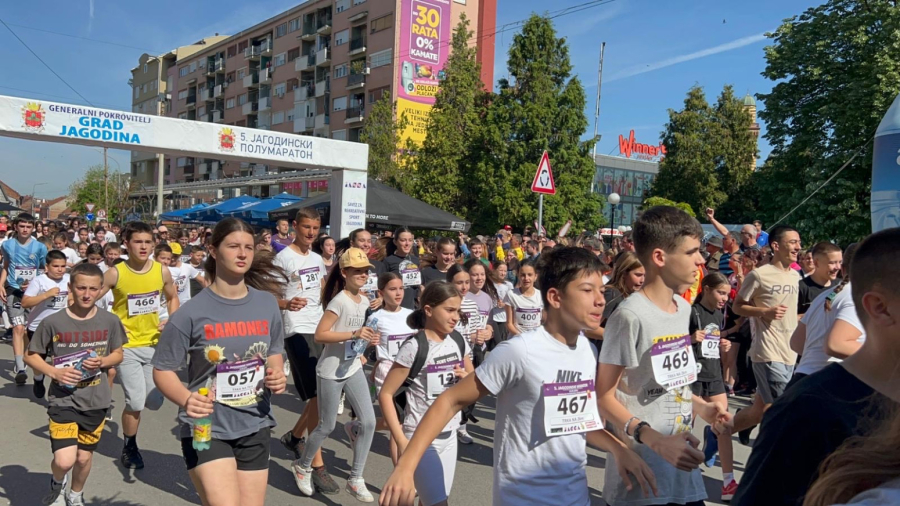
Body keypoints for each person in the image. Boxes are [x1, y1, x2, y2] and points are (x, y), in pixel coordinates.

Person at [380, 247, 657, 506]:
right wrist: (406, 466)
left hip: (576, 497)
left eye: (601, 289)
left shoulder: (586, 349)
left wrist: (618, 449)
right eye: (587, 290)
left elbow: (577, 423)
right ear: (555, 297)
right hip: (524, 497)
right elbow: (449, 401)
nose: (600, 300)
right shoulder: (519, 351)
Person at [733, 228, 900, 506]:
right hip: (789, 369)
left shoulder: (828, 295)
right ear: (879, 307)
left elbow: (798, 341)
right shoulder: (807, 414)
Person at [597, 206, 731, 506]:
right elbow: (603, 397)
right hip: (642, 480)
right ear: (660, 257)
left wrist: (704, 408)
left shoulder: (683, 309)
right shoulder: (629, 316)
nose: (701, 260)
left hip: (684, 475)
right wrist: (654, 439)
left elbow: (667, 385)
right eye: (692, 252)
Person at [152, 217, 288, 506]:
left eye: (248, 247)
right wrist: (186, 398)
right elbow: (163, 369)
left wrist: (276, 372)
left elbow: (274, 350)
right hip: (205, 425)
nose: (242, 254)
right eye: (233, 246)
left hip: (255, 421)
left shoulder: (266, 304)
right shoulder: (190, 313)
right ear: (213, 251)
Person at [25, 263, 126, 506]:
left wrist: (102, 360)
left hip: (96, 399)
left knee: (82, 458)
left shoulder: (110, 321)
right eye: (81, 288)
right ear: (70, 287)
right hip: (63, 398)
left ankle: (76, 493)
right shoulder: (53, 321)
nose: (87, 294)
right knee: (64, 460)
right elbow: (31, 355)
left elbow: (118, 354)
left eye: (93, 288)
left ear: (101, 289)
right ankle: (58, 485)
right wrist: (54, 373)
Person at [292, 248, 378, 502]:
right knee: (326, 425)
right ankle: (303, 465)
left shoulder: (363, 301)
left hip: (351, 367)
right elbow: (321, 335)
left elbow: (358, 334)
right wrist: (354, 335)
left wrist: (367, 342)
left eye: (365, 271)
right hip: (330, 371)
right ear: (344, 272)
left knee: (370, 421)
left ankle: (355, 478)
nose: (363, 275)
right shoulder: (339, 301)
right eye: (357, 271)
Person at [378, 281, 474, 506]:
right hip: (419, 437)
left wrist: (464, 379)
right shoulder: (415, 346)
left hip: (450, 435)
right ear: (429, 310)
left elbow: (474, 380)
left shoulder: (458, 341)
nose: (456, 317)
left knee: (431, 501)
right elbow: (386, 394)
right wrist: (401, 440)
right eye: (449, 310)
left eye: (458, 311)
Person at [100, 221, 180, 469]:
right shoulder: (116, 273)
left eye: (148, 242)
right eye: (138, 242)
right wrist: (113, 324)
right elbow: (89, 297)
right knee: (135, 402)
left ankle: (130, 436)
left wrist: (171, 321)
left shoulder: (161, 271)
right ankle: (130, 446)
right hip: (127, 348)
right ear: (127, 243)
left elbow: (173, 297)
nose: (143, 246)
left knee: (153, 402)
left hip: (154, 346)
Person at [274, 207, 340, 495]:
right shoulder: (283, 257)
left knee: (320, 394)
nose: (311, 233)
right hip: (295, 328)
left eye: (315, 228)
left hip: (318, 327)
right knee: (317, 394)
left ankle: (295, 436)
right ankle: (315, 464)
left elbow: (321, 290)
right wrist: (287, 304)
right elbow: (270, 296)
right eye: (306, 228)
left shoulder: (316, 258)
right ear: (294, 227)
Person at [729, 225, 802, 447]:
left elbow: (792, 313)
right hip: (767, 351)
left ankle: (717, 432)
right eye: (793, 242)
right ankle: (775, 464)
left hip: (790, 351)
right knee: (784, 408)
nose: (798, 247)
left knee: (758, 412)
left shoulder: (796, 276)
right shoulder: (759, 275)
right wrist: (764, 312)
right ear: (776, 246)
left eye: (799, 242)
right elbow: (737, 307)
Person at [688, 272, 738, 500]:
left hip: (714, 375)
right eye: (721, 292)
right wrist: (689, 339)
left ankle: (729, 481)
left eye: (727, 294)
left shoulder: (719, 315)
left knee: (725, 424)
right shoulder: (690, 312)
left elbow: (713, 342)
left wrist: (723, 344)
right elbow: (669, 344)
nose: (725, 298)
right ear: (706, 289)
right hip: (692, 376)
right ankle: (679, 474)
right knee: (684, 428)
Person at [790, 244, 861, 386]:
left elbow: (796, 343)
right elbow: (836, 344)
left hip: (801, 382)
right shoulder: (857, 297)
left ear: (844, 268)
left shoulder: (825, 296)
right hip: (829, 386)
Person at [367, 272, 414, 466]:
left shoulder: (410, 315)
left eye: (401, 288)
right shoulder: (376, 317)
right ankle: (400, 472)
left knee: (404, 421)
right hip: (387, 372)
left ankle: (360, 427)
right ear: (380, 292)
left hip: (410, 373)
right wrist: (370, 342)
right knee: (398, 425)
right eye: (392, 289)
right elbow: (363, 345)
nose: (398, 293)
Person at [446, 264, 492, 445]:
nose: (464, 287)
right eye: (459, 283)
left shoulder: (472, 304)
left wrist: (483, 334)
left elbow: (473, 333)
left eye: (467, 282)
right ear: (450, 283)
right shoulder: (444, 304)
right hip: (447, 357)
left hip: (467, 355)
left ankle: (462, 427)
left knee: (467, 393)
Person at [1, 213, 48, 386]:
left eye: (28, 226)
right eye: (22, 226)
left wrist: (37, 284)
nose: (25, 229)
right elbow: (6, 266)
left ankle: (24, 356)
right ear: (16, 227)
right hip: (13, 290)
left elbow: (44, 268)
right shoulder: (7, 245)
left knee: (28, 330)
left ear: (33, 228)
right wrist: (0, 284)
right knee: (18, 328)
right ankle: (21, 368)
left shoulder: (39, 248)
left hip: (32, 293)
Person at [21, 250, 71, 399]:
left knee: (60, 360)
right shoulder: (39, 281)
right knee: (38, 361)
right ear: (47, 267)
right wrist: (46, 295)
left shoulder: (69, 279)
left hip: (61, 327)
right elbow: (25, 302)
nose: (60, 269)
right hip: (38, 327)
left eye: (63, 266)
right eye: (56, 266)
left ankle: (58, 390)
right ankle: (38, 379)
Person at [797, 242, 842, 317]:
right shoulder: (801, 288)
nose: (838, 267)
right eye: (832, 263)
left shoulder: (840, 285)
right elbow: (790, 319)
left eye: (840, 262)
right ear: (816, 263)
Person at [601, 252, 645, 327]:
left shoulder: (636, 295)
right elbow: (590, 330)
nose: (642, 280)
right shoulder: (612, 294)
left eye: (645, 275)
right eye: (638, 275)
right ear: (624, 273)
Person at [384, 227, 422, 311]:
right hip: (395, 308)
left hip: (412, 307)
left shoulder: (416, 260)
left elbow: (418, 283)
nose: (407, 243)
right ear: (395, 242)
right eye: (403, 240)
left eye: (410, 240)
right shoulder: (388, 261)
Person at [503, 259, 543, 336]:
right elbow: (509, 324)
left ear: (535, 276)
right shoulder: (511, 294)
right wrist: (522, 337)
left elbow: (544, 322)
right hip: (517, 339)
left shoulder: (540, 296)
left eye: (530, 275)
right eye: (523, 275)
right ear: (518, 275)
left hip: (535, 340)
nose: (526, 278)